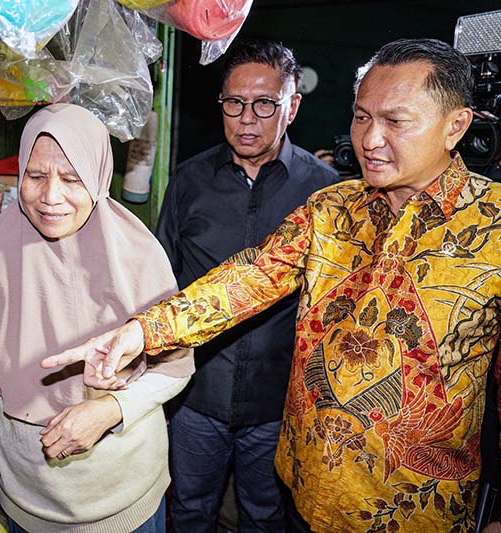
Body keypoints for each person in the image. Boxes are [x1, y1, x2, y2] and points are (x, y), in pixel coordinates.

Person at [42, 39, 501, 533]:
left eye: (395, 122)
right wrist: (138, 333)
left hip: (420, 512)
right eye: (360, 117)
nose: (370, 140)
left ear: (455, 126)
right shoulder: (332, 208)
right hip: (306, 495)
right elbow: (247, 278)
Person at [0, 103, 194, 533]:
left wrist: (111, 410)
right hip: (28, 499)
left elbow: (176, 368)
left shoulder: (137, 255)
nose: (51, 197)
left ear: (99, 178)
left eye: (72, 178)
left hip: (123, 501)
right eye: (37, 176)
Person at [155, 40, 338, 532]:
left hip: (277, 403)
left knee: (265, 515)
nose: (247, 119)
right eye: (234, 104)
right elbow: (160, 280)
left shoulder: (324, 192)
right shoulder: (189, 180)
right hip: (196, 397)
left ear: (292, 106)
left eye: (265, 104)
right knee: (190, 510)